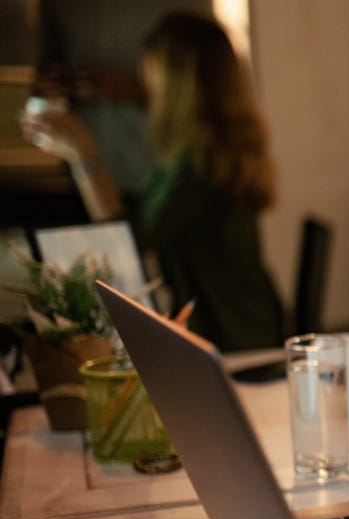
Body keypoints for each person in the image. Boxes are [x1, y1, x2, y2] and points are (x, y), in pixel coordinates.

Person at [20, 11, 284, 352]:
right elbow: (140, 219)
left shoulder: (202, 167)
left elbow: (128, 240)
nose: (146, 88)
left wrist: (82, 153)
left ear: (178, 85)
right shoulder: (204, 152)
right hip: (243, 321)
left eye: (153, 76)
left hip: (234, 337)